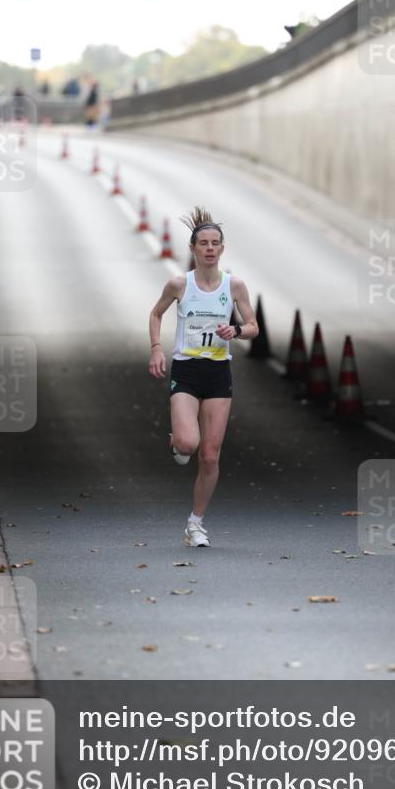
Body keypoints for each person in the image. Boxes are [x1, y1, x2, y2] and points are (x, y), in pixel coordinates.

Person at [148, 207, 259, 548]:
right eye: (203, 243)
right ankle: (176, 442)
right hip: (187, 370)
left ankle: (195, 524)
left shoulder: (234, 285)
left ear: (222, 249)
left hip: (217, 373)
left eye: (215, 243)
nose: (210, 248)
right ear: (193, 248)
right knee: (188, 444)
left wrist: (236, 330)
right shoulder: (180, 284)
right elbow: (156, 313)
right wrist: (156, 348)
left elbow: (254, 327)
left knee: (210, 455)